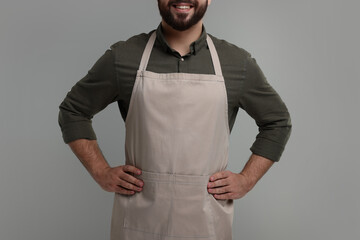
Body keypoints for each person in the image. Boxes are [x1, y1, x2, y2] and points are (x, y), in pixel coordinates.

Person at [58, 0, 292, 239]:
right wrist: (100, 171)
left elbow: (277, 122)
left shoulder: (236, 63)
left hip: (206, 222)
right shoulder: (125, 57)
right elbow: (73, 111)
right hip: (139, 220)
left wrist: (247, 180)